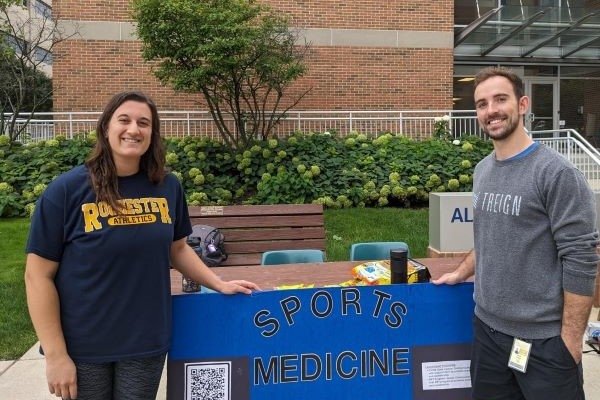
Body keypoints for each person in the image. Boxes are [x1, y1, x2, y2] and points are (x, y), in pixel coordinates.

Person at [24, 91, 260, 400]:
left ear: (152, 133)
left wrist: (218, 284)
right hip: (84, 344)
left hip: (145, 341)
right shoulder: (66, 191)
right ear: (106, 127)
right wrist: (56, 355)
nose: (134, 129)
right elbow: (37, 276)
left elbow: (177, 249)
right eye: (124, 120)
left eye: (144, 123)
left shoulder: (167, 187)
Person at [433, 67, 599, 399]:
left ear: (522, 104)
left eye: (500, 99)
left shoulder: (556, 174)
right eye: (481, 104)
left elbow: (581, 259)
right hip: (488, 335)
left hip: (544, 343)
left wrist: (569, 342)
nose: (490, 110)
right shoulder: (483, 170)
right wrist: (460, 272)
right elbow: (489, 236)